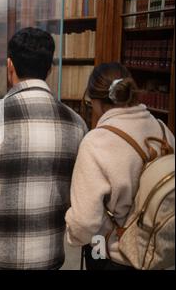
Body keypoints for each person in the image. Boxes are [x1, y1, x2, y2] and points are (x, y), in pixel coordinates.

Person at [0, 27, 88, 270]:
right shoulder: (77, 125)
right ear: (50, 69)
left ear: (9, 66)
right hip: (49, 258)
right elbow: (79, 196)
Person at [65, 63, 175, 270]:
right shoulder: (162, 130)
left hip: (111, 255)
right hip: (154, 252)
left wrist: (73, 235)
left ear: (95, 100)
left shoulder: (96, 141)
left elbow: (84, 222)